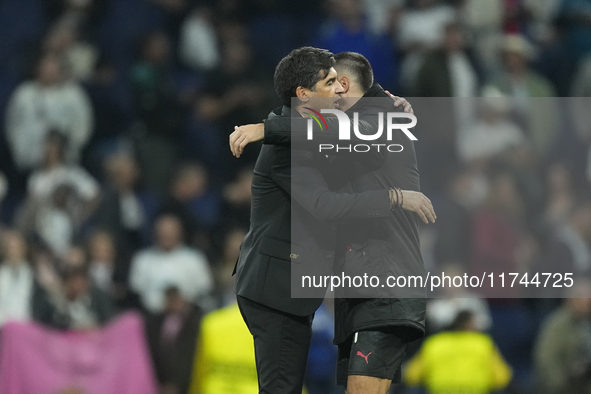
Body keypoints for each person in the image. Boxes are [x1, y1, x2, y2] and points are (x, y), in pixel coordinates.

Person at [232, 47, 435, 394]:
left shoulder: (372, 128)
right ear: (305, 94)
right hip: (304, 286)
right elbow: (325, 203)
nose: (338, 91)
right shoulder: (302, 140)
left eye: (342, 84)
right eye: (330, 83)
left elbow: (347, 127)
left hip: (386, 284)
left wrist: (385, 103)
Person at [404, 310, 512, 394]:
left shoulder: (434, 343)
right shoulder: (482, 343)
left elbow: (412, 376)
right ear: (469, 324)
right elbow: (502, 379)